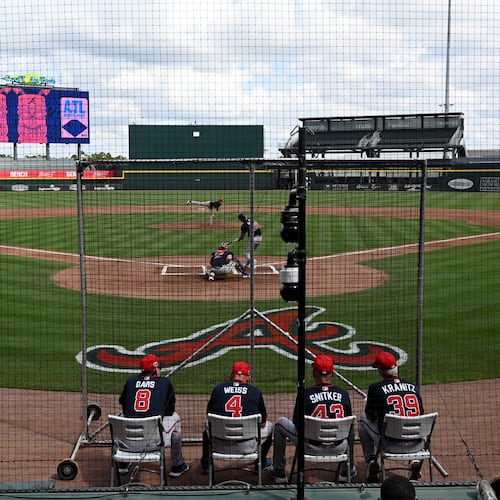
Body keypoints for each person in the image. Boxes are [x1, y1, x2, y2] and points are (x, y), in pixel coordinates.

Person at [270, 354, 355, 484]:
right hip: (339, 448)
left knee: (280, 423)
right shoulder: (343, 393)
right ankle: (346, 470)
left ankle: (279, 472)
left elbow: (296, 423)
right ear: (332, 373)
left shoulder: (305, 393)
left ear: (314, 373)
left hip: (309, 447)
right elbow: (348, 424)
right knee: (350, 426)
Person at [119, 354, 189, 478]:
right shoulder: (165, 382)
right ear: (155, 370)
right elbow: (170, 410)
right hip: (154, 442)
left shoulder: (130, 381)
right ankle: (177, 465)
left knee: (120, 416)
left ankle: (123, 463)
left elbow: (123, 404)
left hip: (128, 443)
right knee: (176, 418)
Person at [359, 351, 424, 483]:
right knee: (419, 421)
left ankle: (371, 460)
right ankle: (415, 460)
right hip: (416, 443)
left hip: (390, 444)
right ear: (396, 367)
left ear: (381, 371)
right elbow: (420, 413)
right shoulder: (413, 386)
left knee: (362, 419)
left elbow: (370, 415)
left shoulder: (376, 388)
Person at [200, 361, 273, 474]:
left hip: (219, 445)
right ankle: (260, 463)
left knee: (207, 426)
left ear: (230, 376)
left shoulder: (218, 390)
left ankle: (206, 465)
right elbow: (262, 424)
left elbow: (209, 417)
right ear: (248, 377)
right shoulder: (255, 392)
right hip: (248, 447)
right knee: (270, 426)